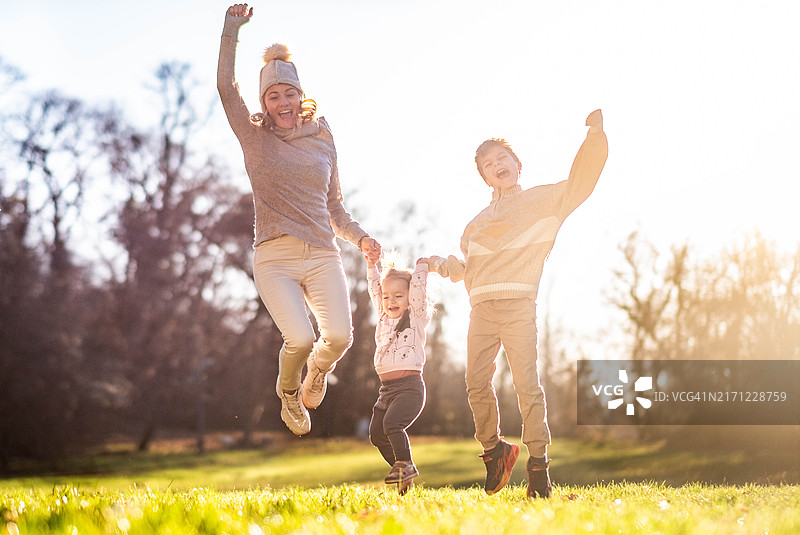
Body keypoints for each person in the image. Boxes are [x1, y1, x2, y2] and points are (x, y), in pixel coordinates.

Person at [217, 4, 381, 436]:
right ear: (265, 104)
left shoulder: (324, 139)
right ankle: (288, 392)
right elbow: (225, 88)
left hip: (323, 253)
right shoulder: (254, 139)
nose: (283, 102)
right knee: (301, 339)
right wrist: (232, 30)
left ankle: (315, 373)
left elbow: (335, 208)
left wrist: (361, 238)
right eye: (273, 96)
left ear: (300, 95)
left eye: (289, 93)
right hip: (274, 258)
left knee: (339, 339)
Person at [428, 110, 608, 498]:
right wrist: (439, 266)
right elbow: (467, 269)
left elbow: (582, 181)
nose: (497, 166)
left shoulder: (545, 201)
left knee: (528, 386)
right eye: (489, 165)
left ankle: (539, 469)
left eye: (502, 159)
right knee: (475, 382)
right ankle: (494, 451)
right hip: (482, 311)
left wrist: (594, 137)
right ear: (485, 178)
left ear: (517, 165)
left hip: (518, 307)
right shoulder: (474, 225)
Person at [364, 250, 432, 495]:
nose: (391, 301)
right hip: (386, 390)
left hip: (409, 388)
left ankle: (406, 465)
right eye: (387, 297)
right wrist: (372, 266)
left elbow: (417, 295)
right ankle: (403, 470)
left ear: (409, 298)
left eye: (398, 296)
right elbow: (374, 289)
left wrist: (422, 270)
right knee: (376, 434)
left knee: (393, 424)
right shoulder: (383, 317)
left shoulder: (414, 317)